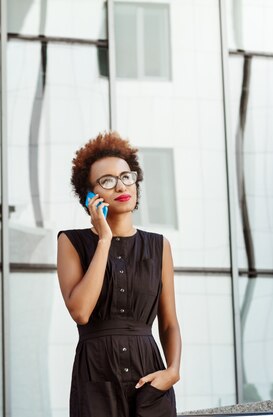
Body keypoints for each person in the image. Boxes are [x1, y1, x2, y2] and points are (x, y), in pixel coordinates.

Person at [57, 131, 182, 417]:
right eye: (107, 181)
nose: (121, 186)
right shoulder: (71, 242)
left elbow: (169, 322)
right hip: (96, 376)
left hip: (150, 377)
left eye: (127, 176)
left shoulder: (159, 245)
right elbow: (81, 312)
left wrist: (172, 372)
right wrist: (104, 239)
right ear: (90, 196)